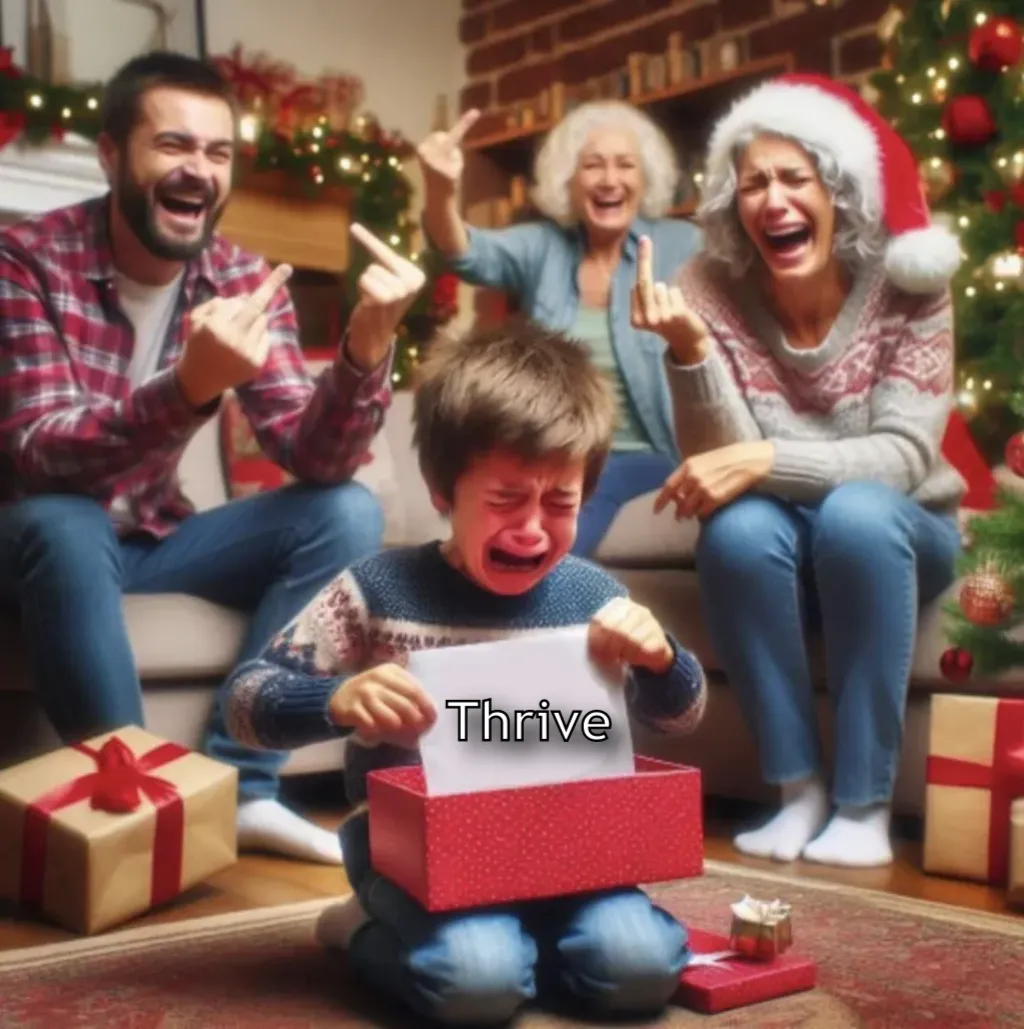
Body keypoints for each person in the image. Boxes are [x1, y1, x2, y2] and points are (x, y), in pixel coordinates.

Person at [0, 51, 426, 865]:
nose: (198, 168)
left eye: (217, 152)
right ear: (110, 155)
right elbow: (35, 454)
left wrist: (367, 349)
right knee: (65, 521)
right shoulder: (25, 259)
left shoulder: (234, 274)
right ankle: (132, 818)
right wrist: (187, 389)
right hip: (28, 537)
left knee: (346, 510)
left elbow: (316, 455)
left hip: (149, 542)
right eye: (172, 145)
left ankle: (242, 788)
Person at [221, 321, 708, 1026]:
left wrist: (663, 657)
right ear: (444, 490)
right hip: (415, 855)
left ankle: (536, 942)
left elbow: (681, 714)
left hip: (569, 849)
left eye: (561, 504)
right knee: (478, 984)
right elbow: (244, 703)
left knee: (640, 970)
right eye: (507, 500)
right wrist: (336, 698)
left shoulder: (594, 596)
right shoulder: (378, 587)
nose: (533, 529)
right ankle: (358, 926)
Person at [637, 72, 966, 868]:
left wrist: (765, 457)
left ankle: (864, 805)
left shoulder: (910, 281)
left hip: (903, 526)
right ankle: (799, 791)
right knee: (738, 529)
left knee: (855, 512)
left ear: (838, 187)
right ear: (730, 202)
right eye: (753, 183)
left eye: (795, 177)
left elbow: (903, 455)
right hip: (780, 521)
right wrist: (690, 352)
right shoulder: (707, 288)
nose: (773, 200)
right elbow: (721, 463)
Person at [417, 99, 701, 558]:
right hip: (552, 445)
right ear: (569, 180)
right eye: (593, 165)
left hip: (646, 453)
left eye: (625, 165)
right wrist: (438, 187)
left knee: (565, 497)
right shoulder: (543, 247)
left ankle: (526, 594)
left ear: (645, 179)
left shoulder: (681, 244)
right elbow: (464, 251)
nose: (610, 179)